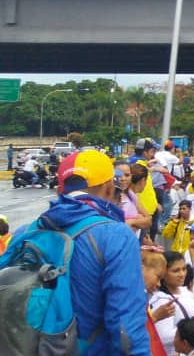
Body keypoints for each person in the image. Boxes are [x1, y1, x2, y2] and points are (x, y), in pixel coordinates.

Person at [39, 149, 151, 354]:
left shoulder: (29, 232)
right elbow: (126, 328)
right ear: (109, 188)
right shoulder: (116, 235)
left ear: (59, 192)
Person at [151, 251, 194, 356]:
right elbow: (163, 337)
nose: (182, 274)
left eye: (184, 269)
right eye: (176, 271)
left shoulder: (185, 291)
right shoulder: (161, 300)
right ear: (163, 273)